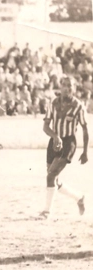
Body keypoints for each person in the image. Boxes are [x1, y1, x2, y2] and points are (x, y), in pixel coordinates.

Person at [40, 76, 88, 219]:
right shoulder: (53, 103)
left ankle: (47, 212)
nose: (67, 88)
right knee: (54, 179)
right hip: (54, 141)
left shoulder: (78, 106)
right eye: (65, 85)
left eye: (70, 86)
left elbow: (85, 129)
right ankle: (79, 197)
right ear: (60, 87)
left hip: (68, 143)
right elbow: (45, 126)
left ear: (74, 89)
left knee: (51, 175)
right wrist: (55, 136)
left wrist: (85, 151)